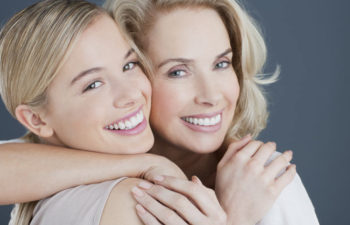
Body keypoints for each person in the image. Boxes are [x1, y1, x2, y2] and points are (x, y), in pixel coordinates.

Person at [0, 0, 302, 224]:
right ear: (36, 119)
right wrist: (235, 218)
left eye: (128, 66)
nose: (130, 94)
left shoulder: (261, 177)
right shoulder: (139, 202)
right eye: (93, 84)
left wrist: (144, 163)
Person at [103, 0, 320, 224]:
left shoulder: (269, 183)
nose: (211, 96)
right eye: (178, 72)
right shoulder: (100, 191)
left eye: (221, 64)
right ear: (131, 77)